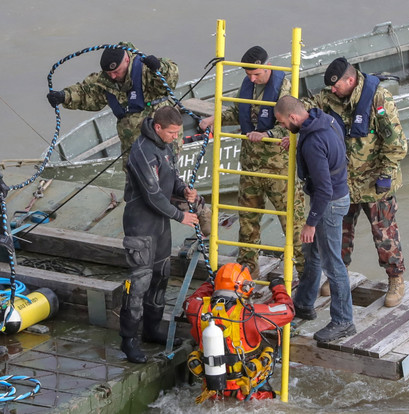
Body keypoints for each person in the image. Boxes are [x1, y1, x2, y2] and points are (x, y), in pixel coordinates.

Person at [304, 57, 408, 307]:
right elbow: (306, 108)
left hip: (375, 183)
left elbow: (396, 144)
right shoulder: (328, 99)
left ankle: (396, 279)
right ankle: (339, 275)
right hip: (342, 182)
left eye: (336, 85)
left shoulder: (379, 100)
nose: (332, 90)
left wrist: (385, 175)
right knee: (338, 233)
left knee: (384, 234)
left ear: (350, 80)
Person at [199, 46, 305, 279]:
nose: (251, 78)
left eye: (256, 74)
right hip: (250, 166)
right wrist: (215, 118)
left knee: (292, 224)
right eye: (248, 74)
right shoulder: (248, 85)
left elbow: (293, 123)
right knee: (247, 222)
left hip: (279, 168)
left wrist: (268, 135)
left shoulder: (285, 88)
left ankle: (307, 272)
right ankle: (248, 268)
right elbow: (240, 113)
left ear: (267, 67)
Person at [120, 106, 199, 363]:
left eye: (178, 133)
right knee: (139, 283)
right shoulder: (142, 151)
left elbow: (171, 178)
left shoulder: (164, 147)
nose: (175, 137)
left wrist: (184, 189)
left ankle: (152, 330)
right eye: (172, 133)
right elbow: (152, 194)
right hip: (140, 226)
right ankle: (129, 341)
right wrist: (180, 216)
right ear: (158, 128)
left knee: (160, 278)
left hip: (160, 226)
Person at [274, 96, 355, 343]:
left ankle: (343, 321)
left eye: (283, 123)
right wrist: (296, 144)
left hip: (328, 205)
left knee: (333, 264)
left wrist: (311, 222)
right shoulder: (326, 119)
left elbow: (323, 189)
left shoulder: (313, 144)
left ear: (294, 118)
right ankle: (305, 304)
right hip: (339, 196)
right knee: (312, 253)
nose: (283, 128)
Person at [46, 43, 178, 171]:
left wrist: (159, 68)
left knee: (165, 177)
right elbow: (86, 93)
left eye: (116, 71)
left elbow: (170, 79)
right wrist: (64, 96)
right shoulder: (105, 81)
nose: (113, 76)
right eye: (109, 73)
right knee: (135, 182)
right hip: (131, 145)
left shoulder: (146, 69)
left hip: (160, 140)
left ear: (127, 60)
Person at [184, 263, 295, 401]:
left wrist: (209, 284)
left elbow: (190, 301)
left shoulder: (195, 309)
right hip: (249, 392)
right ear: (246, 286)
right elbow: (287, 310)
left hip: (212, 390)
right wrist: (278, 287)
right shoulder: (251, 314)